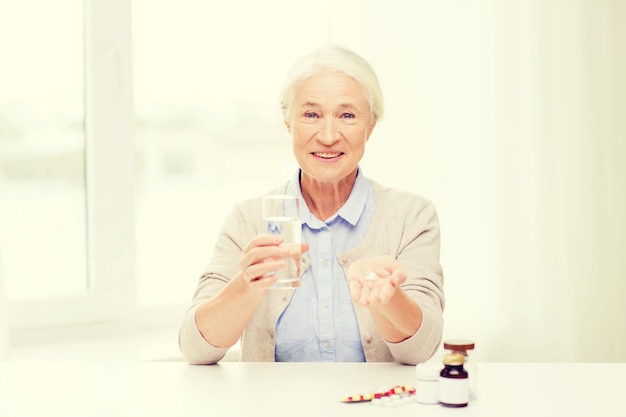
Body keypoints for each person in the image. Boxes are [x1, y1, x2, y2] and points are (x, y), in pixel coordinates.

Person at [179, 45, 444, 365]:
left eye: (347, 115)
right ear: (288, 122)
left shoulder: (411, 216)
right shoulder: (247, 219)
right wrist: (246, 285)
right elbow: (196, 350)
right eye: (311, 114)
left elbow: (421, 350)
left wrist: (387, 298)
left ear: (370, 126)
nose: (329, 135)